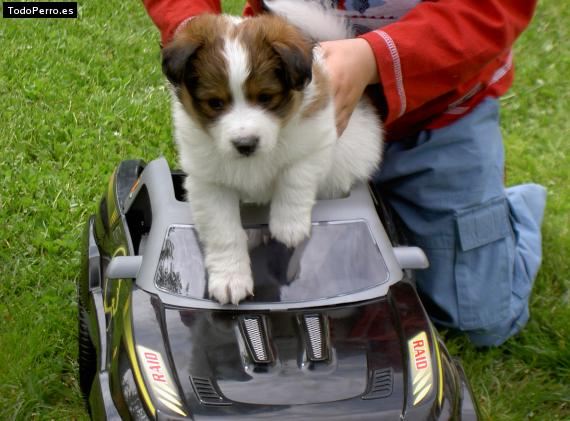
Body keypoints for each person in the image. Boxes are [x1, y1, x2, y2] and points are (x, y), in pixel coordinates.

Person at [142, 0, 547, 347]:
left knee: (482, 320)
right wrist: (198, 35)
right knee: (288, 291)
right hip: (291, 90)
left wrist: (376, 58)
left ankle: (511, 211)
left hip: (438, 111)